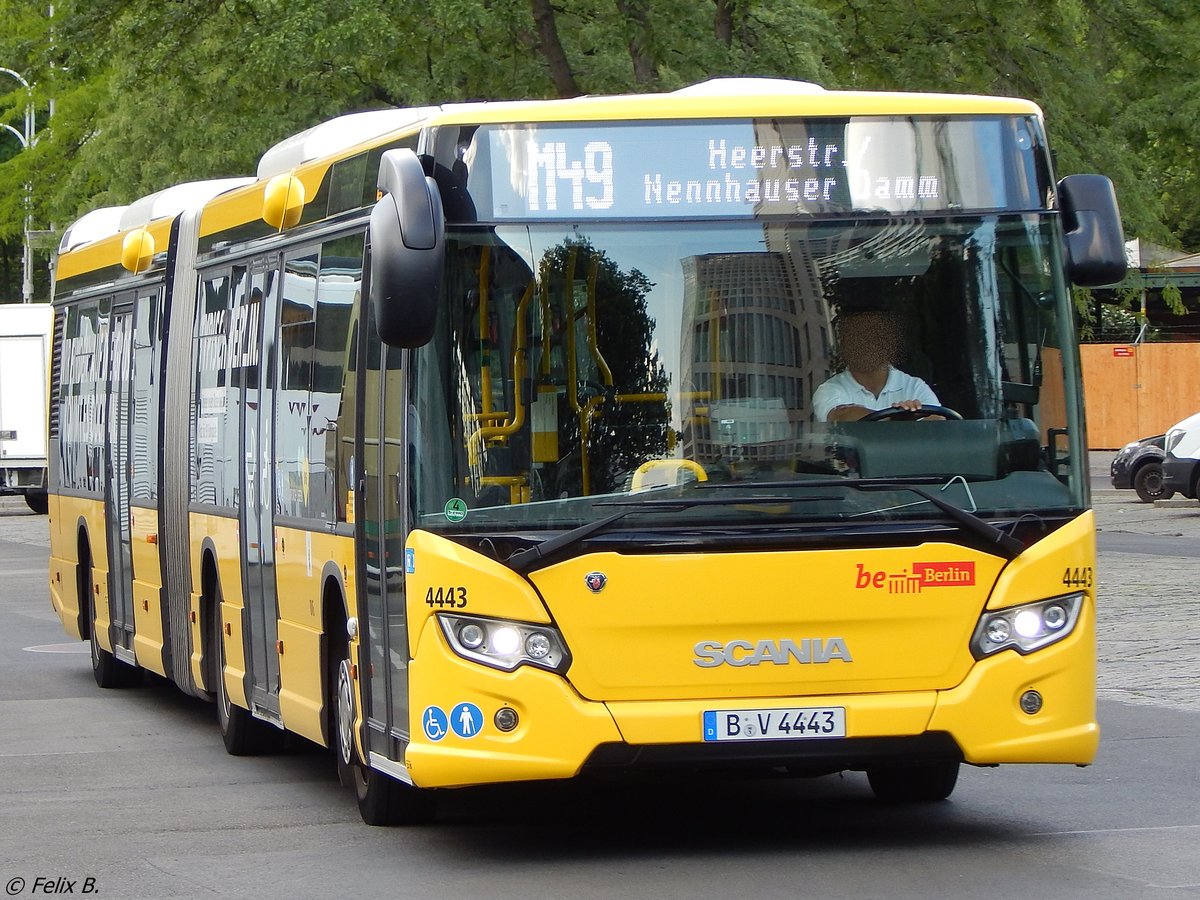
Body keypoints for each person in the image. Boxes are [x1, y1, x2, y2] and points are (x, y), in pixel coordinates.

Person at [812, 310, 940, 423]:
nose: (867, 343)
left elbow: (939, 422)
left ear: (889, 343)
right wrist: (898, 419)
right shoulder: (830, 389)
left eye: (874, 336)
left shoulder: (914, 386)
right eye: (858, 336)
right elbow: (840, 416)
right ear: (845, 346)